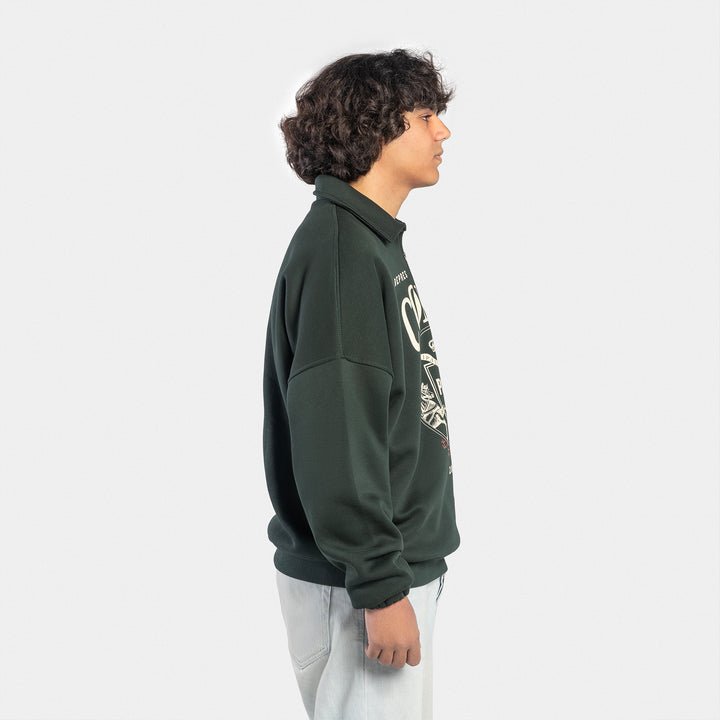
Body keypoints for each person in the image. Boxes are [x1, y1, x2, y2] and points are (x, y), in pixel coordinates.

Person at [262, 48, 461, 720]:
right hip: (363, 585)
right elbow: (338, 429)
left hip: (384, 572)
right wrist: (380, 586)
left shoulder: (365, 240)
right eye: (425, 116)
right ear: (376, 127)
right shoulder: (343, 252)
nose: (443, 131)